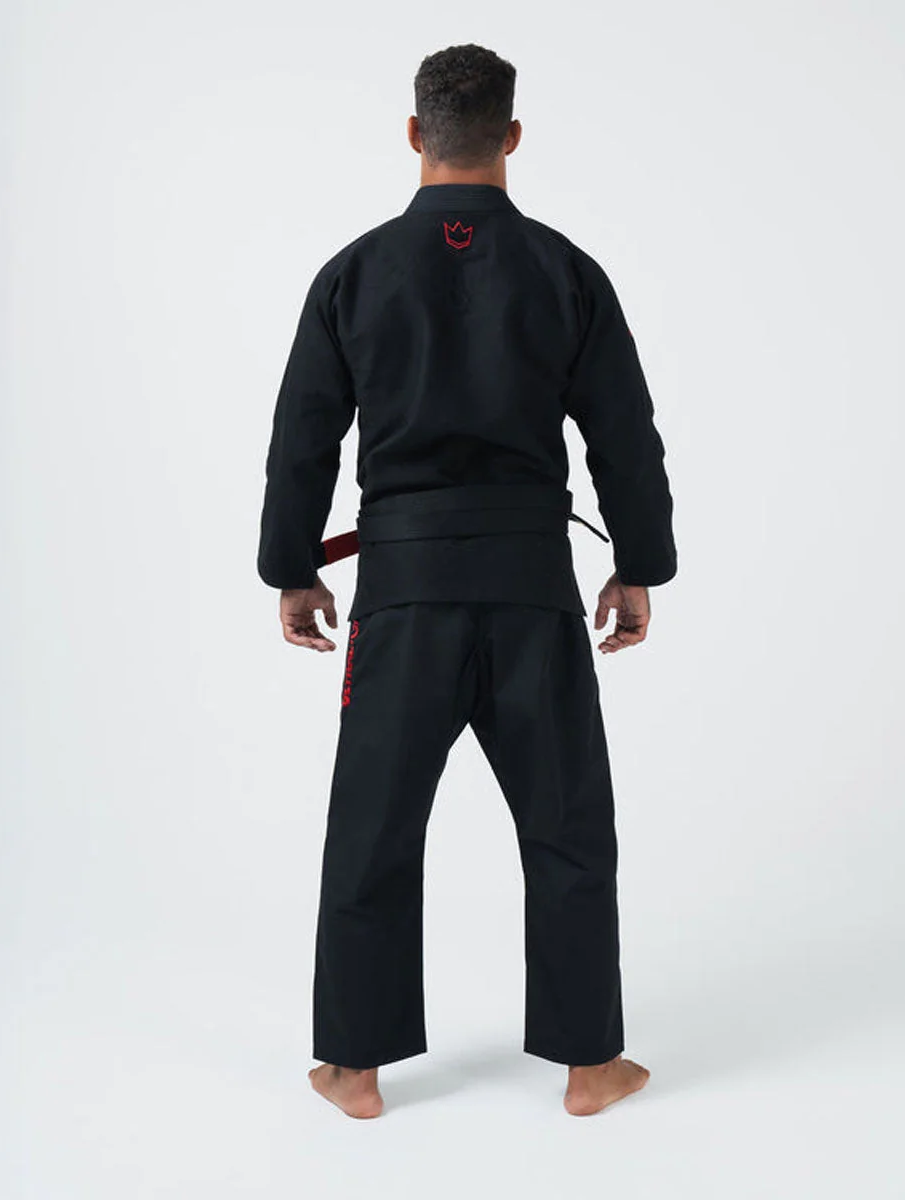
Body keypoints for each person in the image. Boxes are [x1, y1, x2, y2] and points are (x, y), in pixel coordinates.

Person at [256, 43, 678, 1119]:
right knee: (567, 827)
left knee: (374, 826)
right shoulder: (565, 271)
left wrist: (292, 567)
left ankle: (354, 1068)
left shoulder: (354, 273)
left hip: (402, 597)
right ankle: (591, 1066)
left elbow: (303, 437)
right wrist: (639, 564)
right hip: (533, 590)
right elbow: (625, 437)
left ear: (414, 134)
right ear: (512, 136)